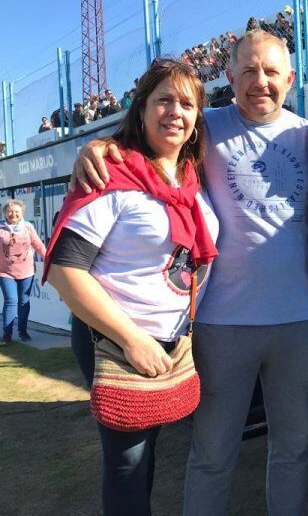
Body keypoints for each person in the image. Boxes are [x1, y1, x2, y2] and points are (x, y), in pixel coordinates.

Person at [71, 30, 308, 516]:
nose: (260, 82)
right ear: (229, 76)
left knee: (293, 448)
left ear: (291, 78)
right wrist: (97, 145)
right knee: (213, 453)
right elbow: (146, 134)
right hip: (220, 326)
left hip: (301, 321)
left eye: (271, 71)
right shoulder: (204, 127)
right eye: (248, 70)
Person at [45, 58, 219, 515]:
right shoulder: (110, 174)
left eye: (186, 103)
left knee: (147, 455)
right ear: (141, 108)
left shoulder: (190, 178)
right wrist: (133, 340)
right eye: (163, 100)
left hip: (169, 339)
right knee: (127, 463)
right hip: (117, 340)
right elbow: (66, 270)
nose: (175, 112)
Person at [0, 199, 47, 345]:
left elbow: (40, 247)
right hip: (5, 272)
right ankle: (7, 335)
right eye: (10, 211)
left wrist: (50, 261)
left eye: (17, 211)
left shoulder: (28, 227)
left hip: (27, 271)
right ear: (5, 213)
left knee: (24, 301)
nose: (13, 214)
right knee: (11, 301)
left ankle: (23, 332)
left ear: (22, 213)